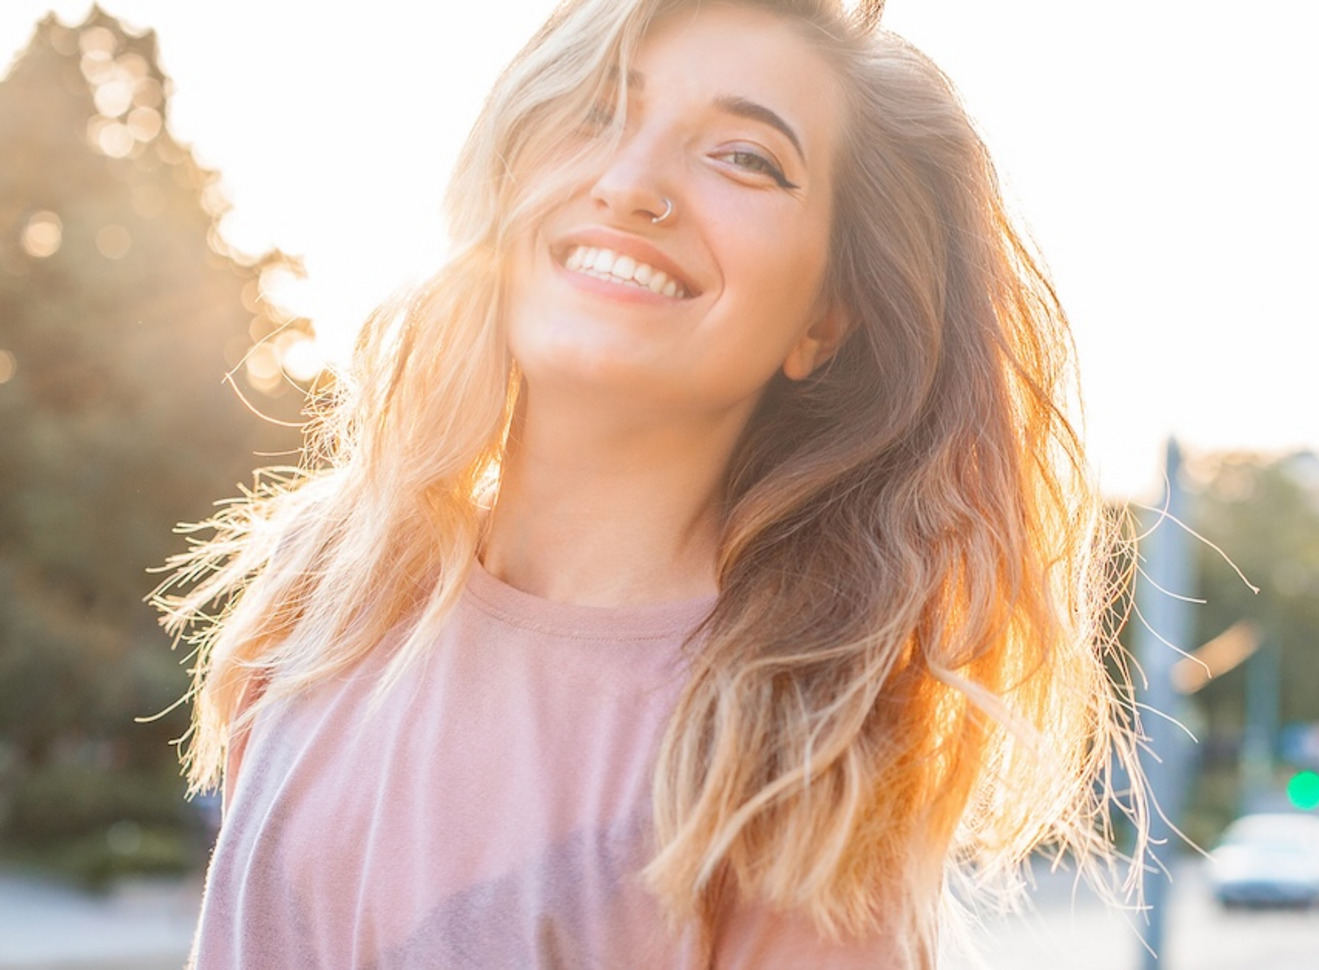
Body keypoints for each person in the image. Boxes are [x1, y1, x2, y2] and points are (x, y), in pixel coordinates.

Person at [155, 1, 1139, 966]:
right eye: (595, 110)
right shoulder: (326, 586)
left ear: (825, 318)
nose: (632, 183)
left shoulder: (785, 769)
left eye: (746, 157)